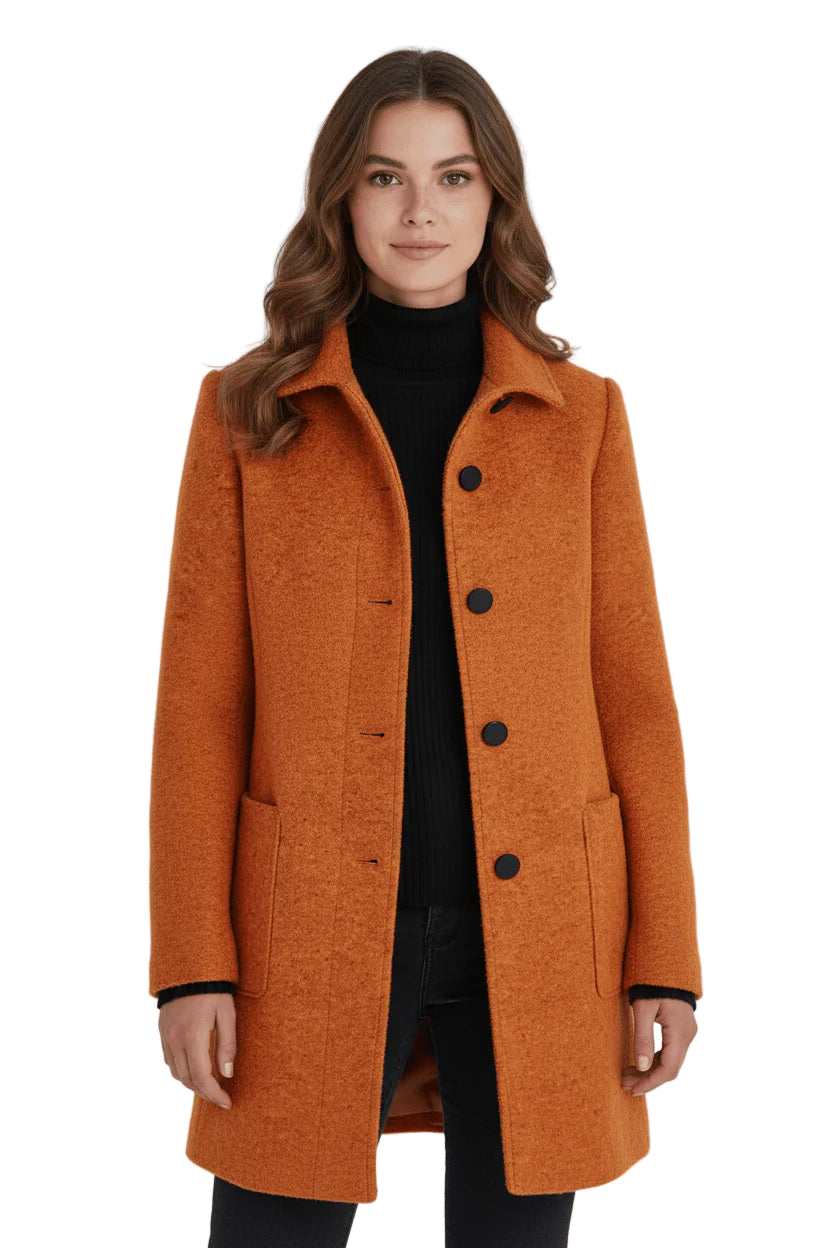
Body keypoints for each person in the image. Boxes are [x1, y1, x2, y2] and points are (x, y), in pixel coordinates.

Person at [149, 47, 702, 1248]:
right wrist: (193, 964)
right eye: (383, 177)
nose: (418, 211)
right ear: (339, 200)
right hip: (307, 931)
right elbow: (201, 707)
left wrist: (664, 956)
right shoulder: (250, 411)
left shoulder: (581, 418)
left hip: (541, 933)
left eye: (452, 177)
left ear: (495, 197)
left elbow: (634, 699)